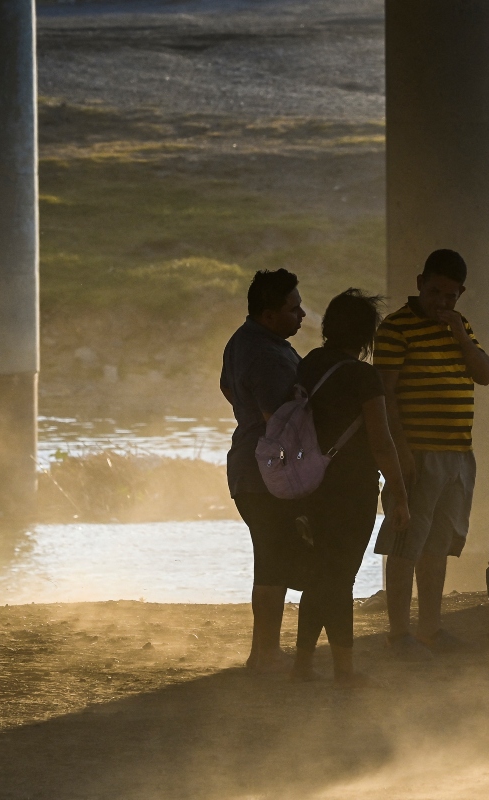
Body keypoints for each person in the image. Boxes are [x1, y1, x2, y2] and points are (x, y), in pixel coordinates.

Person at [372, 250, 489, 661]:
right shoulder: (394, 329)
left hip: (457, 453)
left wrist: (459, 334)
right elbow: (385, 395)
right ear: (420, 281)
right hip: (418, 453)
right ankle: (398, 634)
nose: (442, 301)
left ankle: (431, 629)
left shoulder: (461, 327)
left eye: (451, 294)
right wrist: (400, 452)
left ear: (461, 293)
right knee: (406, 540)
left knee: (438, 544)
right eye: (434, 291)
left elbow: (485, 373)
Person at [290, 289, 411, 686]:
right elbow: (381, 441)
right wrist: (400, 494)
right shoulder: (363, 376)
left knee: (320, 575)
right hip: (351, 490)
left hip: (307, 485)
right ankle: (344, 669)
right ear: (365, 335)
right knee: (340, 578)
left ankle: (303, 665)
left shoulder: (309, 365)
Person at [220, 268, 306, 673]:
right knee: (272, 559)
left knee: (271, 556)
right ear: (270, 314)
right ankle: (265, 653)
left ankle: (264, 650)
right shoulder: (268, 354)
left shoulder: (242, 341)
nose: (302, 315)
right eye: (294, 308)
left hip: (246, 464)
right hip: (265, 471)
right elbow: (281, 419)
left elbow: (227, 389)